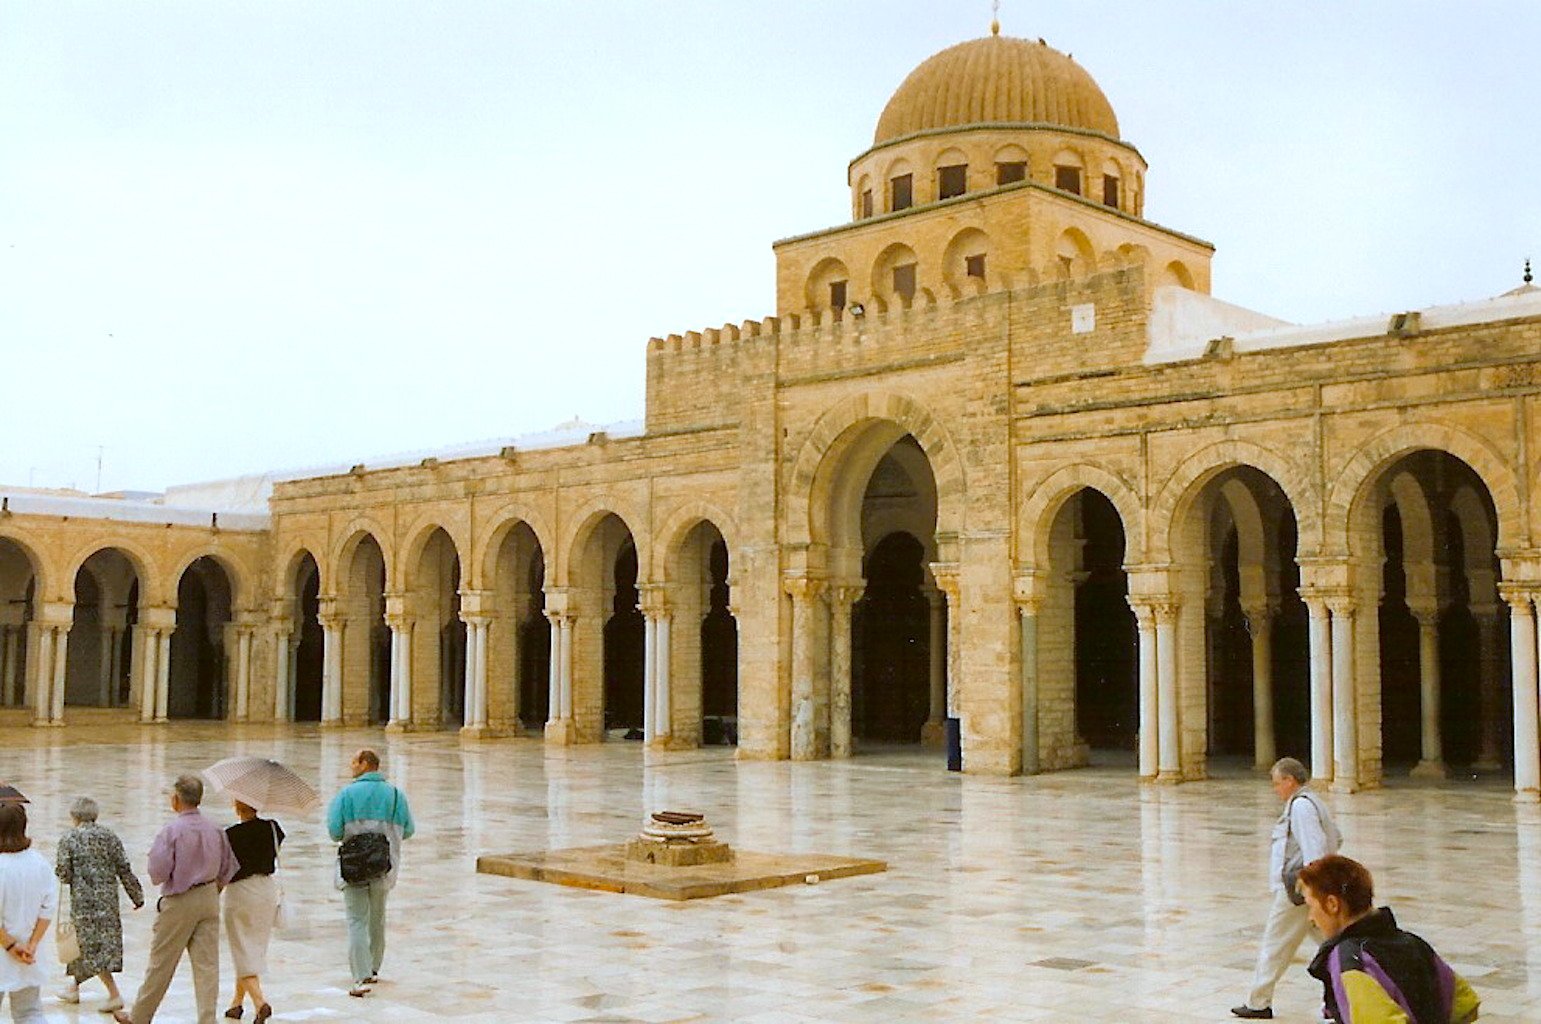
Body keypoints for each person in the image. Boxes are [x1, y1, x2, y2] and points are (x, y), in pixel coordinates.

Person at [112, 775, 238, 1024]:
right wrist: (213, 890)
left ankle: (140, 1017)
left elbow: (157, 874)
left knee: (161, 962)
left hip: (180, 899)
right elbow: (228, 868)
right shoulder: (216, 829)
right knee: (207, 967)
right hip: (209, 896)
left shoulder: (171, 831)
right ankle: (206, 1019)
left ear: (176, 800)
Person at [1301, 855, 1480, 1024]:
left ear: (1332, 904)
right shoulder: (1413, 943)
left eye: (1311, 906)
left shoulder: (1350, 958)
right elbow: (1465, 1005)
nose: (1311, 917)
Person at [1232, 756, 1342, 1020]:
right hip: (1309, 891)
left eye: (1277, 783)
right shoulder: (1313, 801)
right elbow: (1336, 837)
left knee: (1275, 944)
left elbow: (1314, 849)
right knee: (1333, 945)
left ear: (1290, 780)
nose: (1275, 789)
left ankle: (1258, 1002)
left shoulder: (1302, 807)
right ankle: (1342, 997)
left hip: (1298, 892)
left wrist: (1309, 887)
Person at [326, 749, 413, 998]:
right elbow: (409, 830)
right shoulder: (396, 795)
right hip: (384, 866)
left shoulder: (345, 795)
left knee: (356, 920)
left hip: (353, 867)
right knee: (378, 917)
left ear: (365, 764)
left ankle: (360, 974)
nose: (351, 765)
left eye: (354, 761)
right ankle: (374, 967)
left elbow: (334, 832)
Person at [55, 797, 144, 1013]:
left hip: (83, 903)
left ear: (74, 816)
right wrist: (137, 896)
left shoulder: (69, 838)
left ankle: (114, 994)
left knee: (89, 947)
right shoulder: (110, 836)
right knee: (92, 946)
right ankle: (73, 988)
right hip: (108, 902)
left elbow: (64, 874)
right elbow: (124, 868)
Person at [220, 801, 283, 1022]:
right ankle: (236, 1004)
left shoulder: (230, 835)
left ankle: (259, 1002)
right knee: (252, 948)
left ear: (238, 806)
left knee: (241, 949)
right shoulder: (274, 828)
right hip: (266, 890)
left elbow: (224, 869)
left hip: (240, 892)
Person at [0, 802, 56, 1024]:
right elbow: (47, 908)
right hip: (30, 953)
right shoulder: (40, 863)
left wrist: (11, 946)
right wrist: (32, 944)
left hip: (9, 949)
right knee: (29, 1012)